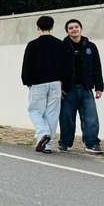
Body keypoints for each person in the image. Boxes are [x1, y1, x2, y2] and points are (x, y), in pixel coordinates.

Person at [59, 18, 104, 154]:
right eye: (71, 28)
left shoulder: (90, 46)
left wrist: (99, 87)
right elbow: (57, 68)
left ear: (81, 29)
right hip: (68, 90)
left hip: (86, 88)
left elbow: (97, 67)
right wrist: (58, 87)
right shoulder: (62, 47)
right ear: (67, 31)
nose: (74, 29)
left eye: (76, 27)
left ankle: (92, 144)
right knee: (67, 119)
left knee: (91, 118)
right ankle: (65, 143)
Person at [21, 15, 63, 153]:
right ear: (52, 27)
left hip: (38, 83)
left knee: (34, 110)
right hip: (56, 83)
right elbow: (67, 66)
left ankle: (43, 133)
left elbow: (27, 65)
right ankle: (47, 145)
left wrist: (27, 81)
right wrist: (65, 84)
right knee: (52, 113)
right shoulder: (60, 44)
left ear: (38, 27)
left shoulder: (32, 45)